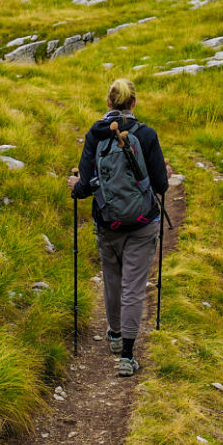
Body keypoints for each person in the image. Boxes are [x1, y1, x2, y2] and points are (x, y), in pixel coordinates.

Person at [68, 77, 168, 376]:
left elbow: (84, 187)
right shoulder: (147, 135)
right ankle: (127, 355)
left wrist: (75, 184)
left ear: (108, 103)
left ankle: (114, 335)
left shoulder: (95, 135)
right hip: (142, 223)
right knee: (134, 288)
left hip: (108, 222)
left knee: (112, 281)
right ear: (133, 103)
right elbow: (161, 185)